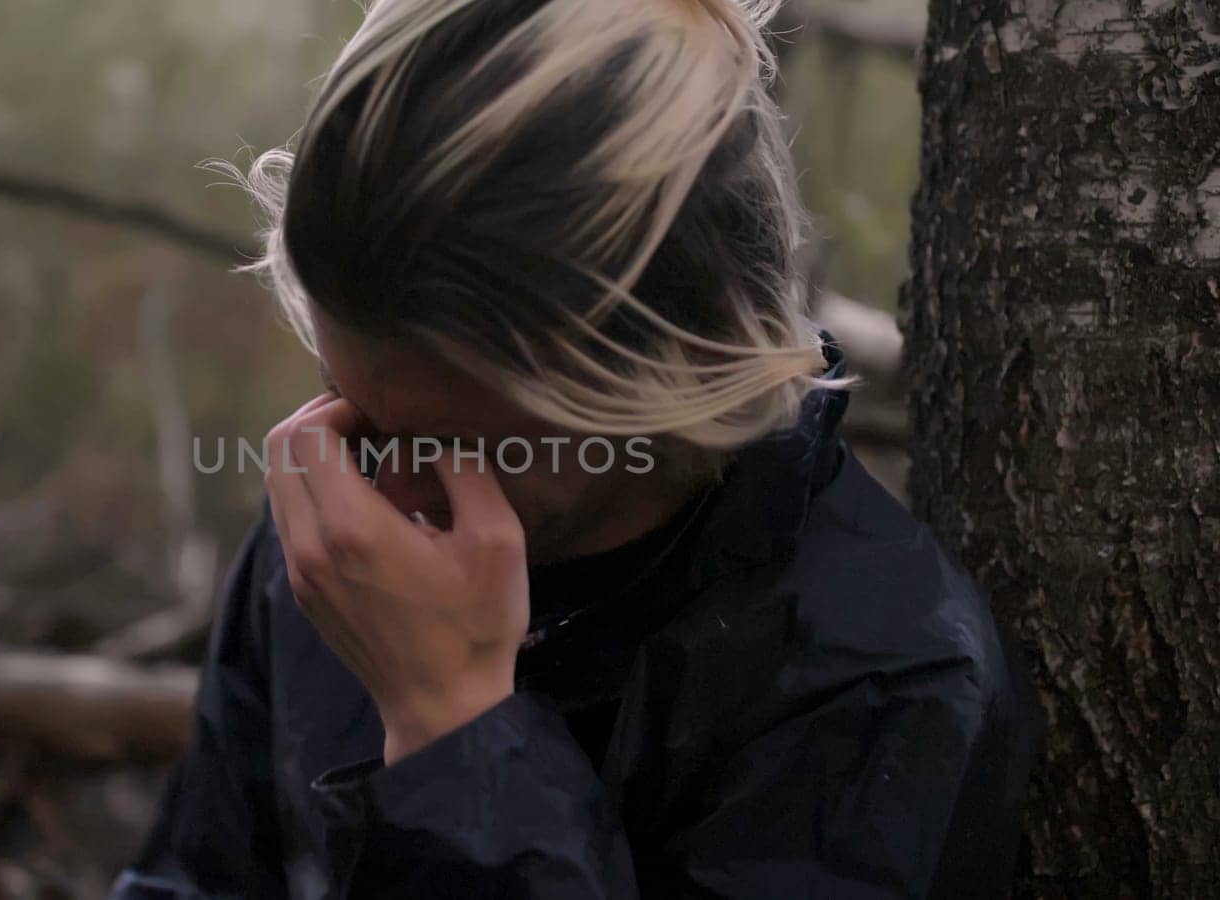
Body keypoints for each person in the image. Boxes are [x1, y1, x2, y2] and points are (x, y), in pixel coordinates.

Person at [113, 0, 1037, 896]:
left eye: (448, 445)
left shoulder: (879, 694)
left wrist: (455, 734)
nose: (381, 488)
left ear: (664, 384)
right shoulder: (343, 541)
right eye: (349, 406)